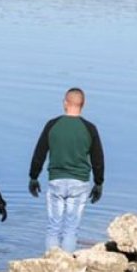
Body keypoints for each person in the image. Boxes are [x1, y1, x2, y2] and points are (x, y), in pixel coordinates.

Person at [28, 87, 104, 253]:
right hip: (79, 182)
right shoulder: (90, 128)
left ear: (65, 103)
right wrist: (99, 183)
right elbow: (98, 159)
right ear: (83, 105)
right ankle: (67, 267)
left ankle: (51, 265)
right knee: (71, 229)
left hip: (56, 180)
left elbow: (39, 153)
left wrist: (33, 177)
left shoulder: (52, 125)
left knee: (53, 227)